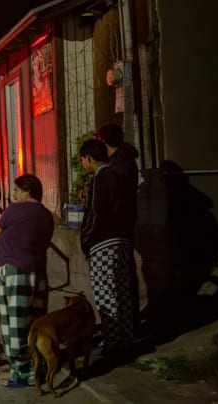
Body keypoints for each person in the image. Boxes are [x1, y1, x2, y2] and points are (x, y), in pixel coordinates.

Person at [0, 174, 54, 388]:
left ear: (27, 192)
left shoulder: (14, 210)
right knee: (35, 323)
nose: (13, 195)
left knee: (14, 326)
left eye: (17, 190)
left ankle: (24, 373)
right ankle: (40, 365)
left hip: (14, 272)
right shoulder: (47, 216)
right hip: (39, 273)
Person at [79, 138, 134, 355]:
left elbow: (97, 213)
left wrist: (86, 239)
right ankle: (125, 338)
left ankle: (111, 343)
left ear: (89, 159)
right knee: (121, 292)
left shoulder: (100, 178)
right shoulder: (119, 175)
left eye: (83, 159)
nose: (84, 163)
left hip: (103, 243)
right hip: (122, 241)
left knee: (105, 294)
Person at [97, 123, 141, 331]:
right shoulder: (122, 161)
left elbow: (116, 197)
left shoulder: (119, 165)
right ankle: (129, 322)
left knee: (120, 276)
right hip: (124, 222)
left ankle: (125, 326)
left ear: (105, 142)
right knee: (123, 274)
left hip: (119, 225)